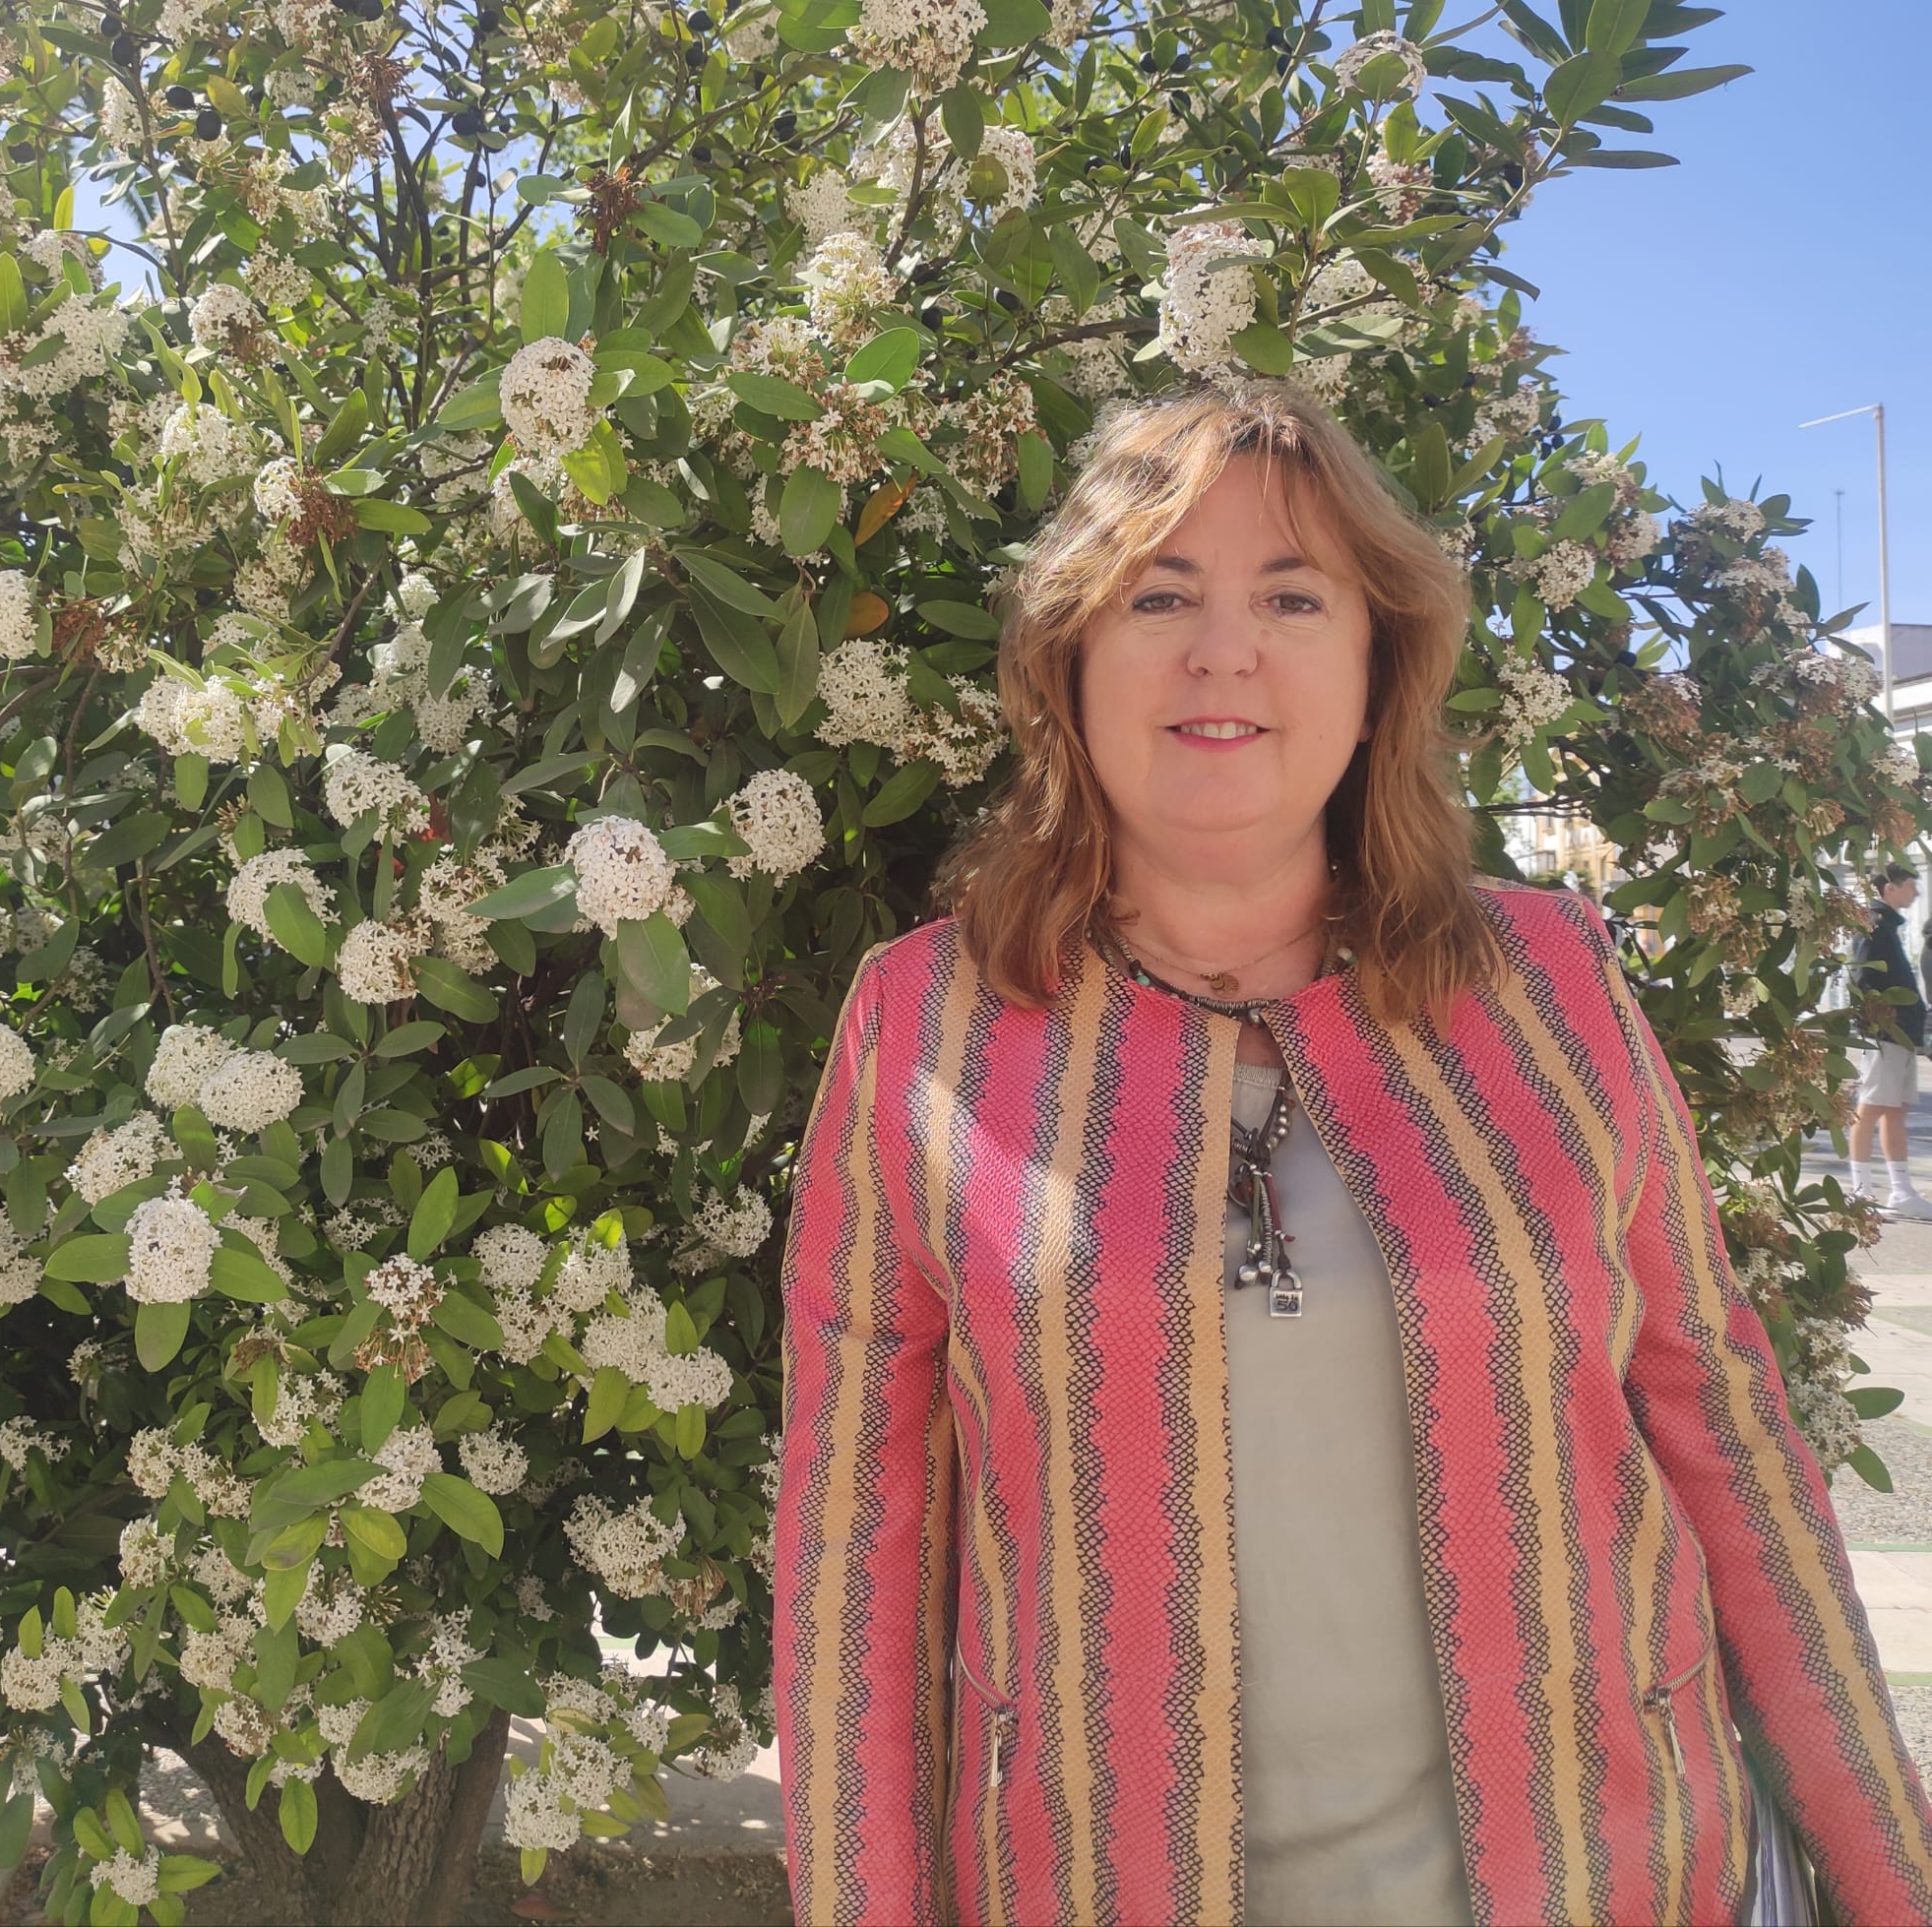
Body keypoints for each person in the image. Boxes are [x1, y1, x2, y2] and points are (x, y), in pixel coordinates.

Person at [772, 382, 1932, 1927]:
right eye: (1159, 595)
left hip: (1610, 1879)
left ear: (1380, 669)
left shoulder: (1551, 981)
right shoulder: (924, 1024)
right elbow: (854, 1553)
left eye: (1292, 596)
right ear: (1068, 662)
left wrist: (1894, 1871)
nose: (1223, 650)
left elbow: (1727, 1426)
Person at [1846, 861, 1930, 1217]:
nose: (1916, 893)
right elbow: (1862, 977)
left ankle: (1901, 1191)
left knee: (1895, 1110)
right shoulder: (1875, 924)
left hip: (1901, 1035)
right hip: (1885, 1034)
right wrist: (1880, 1022)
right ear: (1889, 888)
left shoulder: (1887, 925)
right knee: (1869, 1109)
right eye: (1910, 885)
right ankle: (1861, 1193)